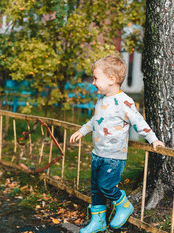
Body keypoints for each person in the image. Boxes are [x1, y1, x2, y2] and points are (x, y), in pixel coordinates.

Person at [70, 55, 164, 232]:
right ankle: (98, 222)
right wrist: (81, 131)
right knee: (96, 189)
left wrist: (152, 138)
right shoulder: (102, 99)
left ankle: (124, 204)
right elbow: (95, 121)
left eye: (96, 78)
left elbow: (138, 122)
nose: (93, 82)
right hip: (98, 154)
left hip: (113, 157)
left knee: (106, 186)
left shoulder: (124, 102)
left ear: (111, 79)